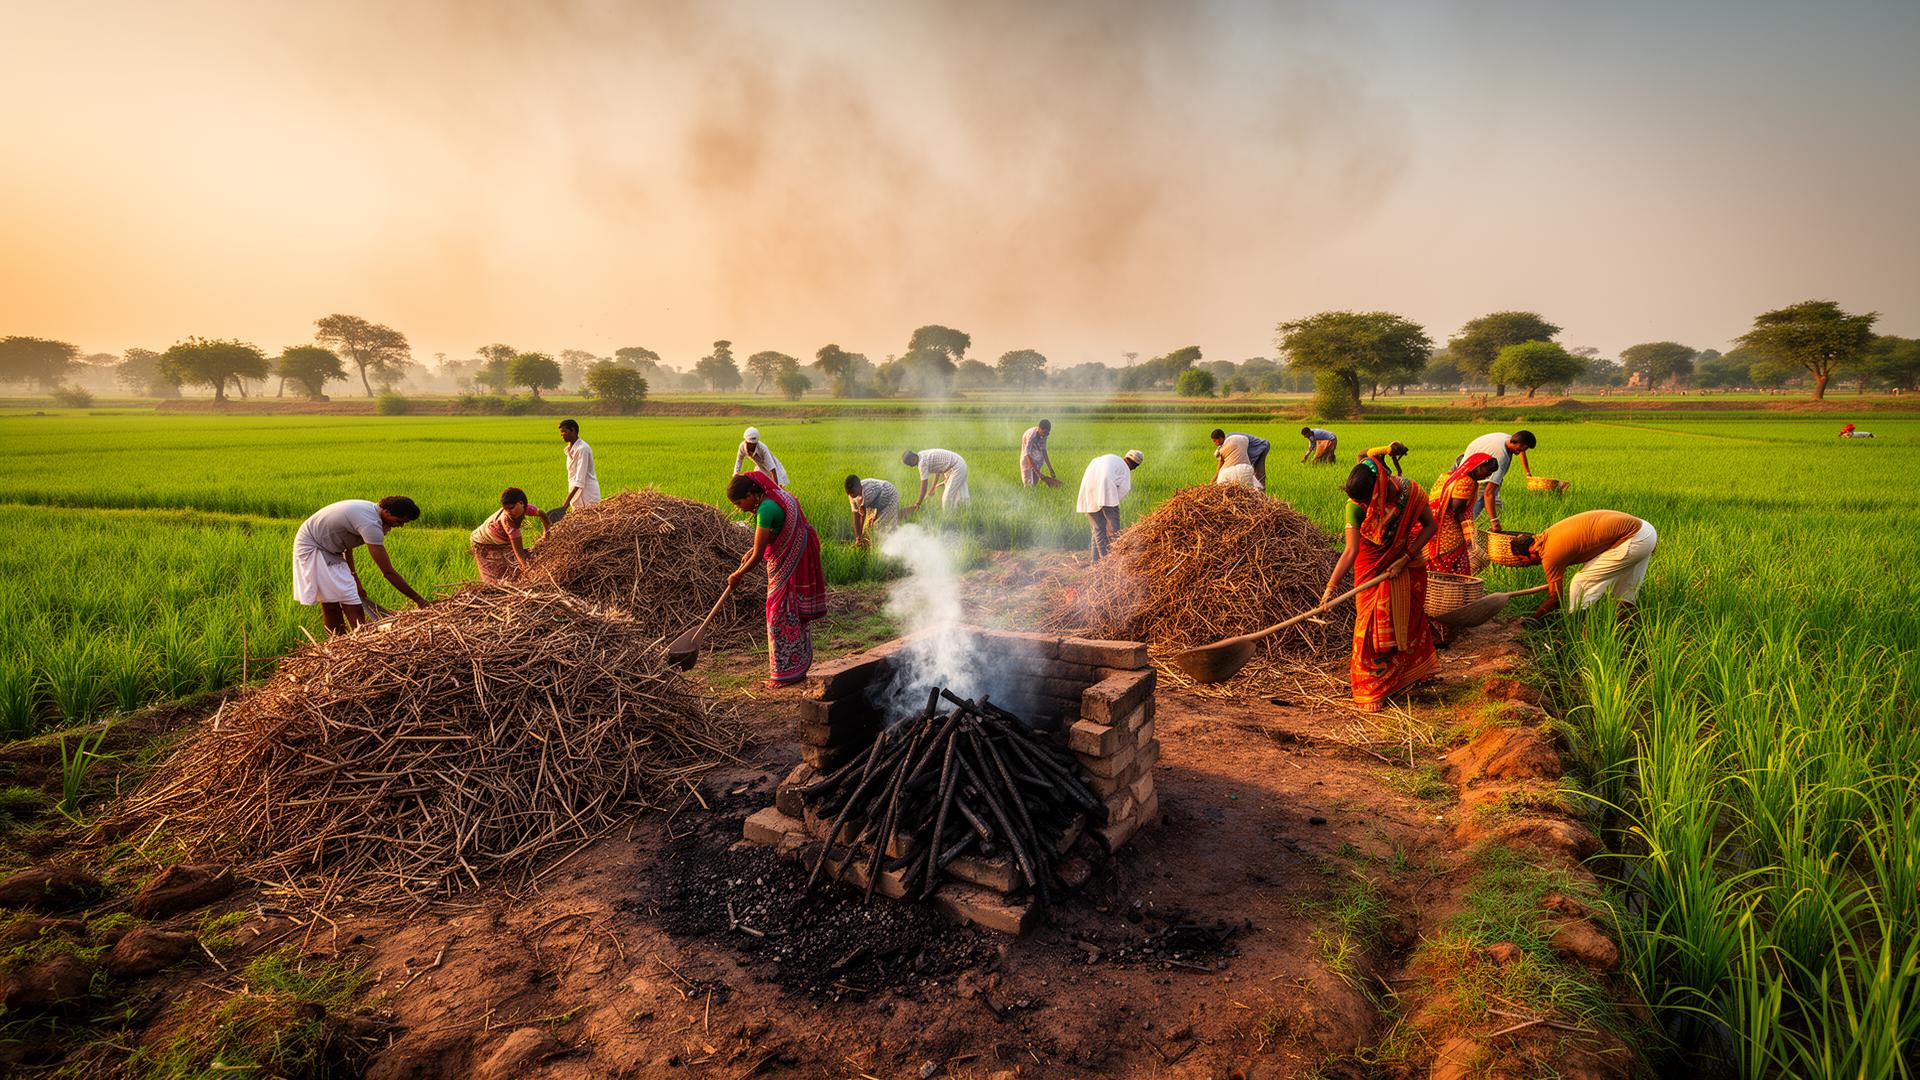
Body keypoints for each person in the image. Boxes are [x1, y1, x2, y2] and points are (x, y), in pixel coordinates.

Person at [1320, 446, 1436, 712]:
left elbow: (1430, 526)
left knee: (1407, 620)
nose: (1361, 506)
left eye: (1364, 500)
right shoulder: (1355, 508)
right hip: (1370, 568)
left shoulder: (1412, 493)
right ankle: (1372, 687)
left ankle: (1404, 678)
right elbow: (1351, 551)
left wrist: (1405, 557)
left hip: (1406, 565)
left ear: (1380, 488)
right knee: (1369, 629)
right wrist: (1331, 588)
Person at [726, 472, 828, 687]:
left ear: (751, 495)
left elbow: (758, 555)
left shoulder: (765, 510)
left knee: (778, 614)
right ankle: (796, 667)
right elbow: (775, 532)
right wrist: (752, 549)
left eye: (739, 502)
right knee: (790, 613)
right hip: (795, 559)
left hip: (787, 567)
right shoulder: (778, 497)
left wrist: (738, 575)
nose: (739, 507)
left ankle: (785, 673)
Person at [292, 496, 428, 635]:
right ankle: (345, 643)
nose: (400, 526)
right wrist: (419, 600)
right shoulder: (370, 522)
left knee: (349, 597)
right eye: (399, 521)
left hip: (333, 549)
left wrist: (354, 578)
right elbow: (388, 571)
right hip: (313, 548)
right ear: (387, 511)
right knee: (333, 603)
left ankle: (355, 641)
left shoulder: (375, 515)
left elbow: (346, 544)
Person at [1511, 510, 1658, 618]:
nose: (1523, 565)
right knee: (1624, 590)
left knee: (1580, 582)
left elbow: (1556, 599)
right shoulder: (1546, 537)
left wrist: (1532, 620)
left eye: (1522, 560)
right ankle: (1629, 630)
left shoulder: (1549, 555)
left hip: (1634, 538)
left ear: (1530, 551)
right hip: (1645, 530)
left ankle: (1576, 627)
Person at [1423, 453, 1499, 576]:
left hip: (1433, 526)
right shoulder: (1467, 481)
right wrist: (1468, 532)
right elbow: (1456, 508)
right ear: (1478, 467)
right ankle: (1451, 591)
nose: (1489, 475)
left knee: (1434, 568)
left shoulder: (1448, 476)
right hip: (1448, 532)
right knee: (1452, 565)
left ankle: (1435, 590)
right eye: (1488, 471)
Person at [1453, 430, 1536, 532]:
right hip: (1471, 473)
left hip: (1462, 463)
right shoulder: (1501, 457)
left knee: (1454, 506)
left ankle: (1458, 527)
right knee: (1473, 505)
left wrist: (1527, 471)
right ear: (1518, 443)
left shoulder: (1509, 438)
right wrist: (1494, 522)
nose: (1522, 451)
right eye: (1523, 448)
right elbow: (1488, 493)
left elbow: (1521, 450)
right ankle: (1464, 529)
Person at [470, 487, 546, 585]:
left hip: (502, 542)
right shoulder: (509, 523)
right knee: (495, 580)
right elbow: (520, 555)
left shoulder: (528, 508)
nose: (508, 512)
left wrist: (546, 534)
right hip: (482, 543)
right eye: (505, 509)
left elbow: (543, 514)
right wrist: (531, 576)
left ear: (521, 504)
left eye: (511, 508)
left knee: (514, 571)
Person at [1076, 450, 1143, 560]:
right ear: (1135, 465)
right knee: (1114, 533)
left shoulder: (1109, 459)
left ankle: (1096, 562)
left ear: (1125, 457)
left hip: (1088, 491)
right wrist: (1110, 506)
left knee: (1097, 529)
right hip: (1107, 492)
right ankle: (1109, 563)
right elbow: (1124, 489)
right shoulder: (1125, 469)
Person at [903, 448, 970, 513]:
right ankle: (965, 513)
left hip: (956, 468)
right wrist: (932, 489)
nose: (910, 466)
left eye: (909, 464)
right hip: (958, 463)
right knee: (962, 496)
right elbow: (937, 471)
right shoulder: (921, 454)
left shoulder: (922, 463)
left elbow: (924, 487)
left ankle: (948, 518)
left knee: (947, 498)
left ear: (913, 459)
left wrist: (917, 504)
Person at [844, 474, 900, 547]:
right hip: (876, 500)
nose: (852, 495)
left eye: (853, 492)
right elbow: (856, 515)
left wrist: (860, 535)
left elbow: (862, 516)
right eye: (849, 493)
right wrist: (857, 537)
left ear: (859, 487)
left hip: (889, 496)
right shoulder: (852, 494)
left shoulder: (868, 491)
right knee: (868, 527)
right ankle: (865, 545)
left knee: (880, 527)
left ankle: (890, 546)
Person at [559, 419, 600, 512]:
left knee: (590, 521)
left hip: (587, 494)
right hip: (576, 494)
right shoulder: (569, 450)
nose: (561, 435)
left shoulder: (583, 449)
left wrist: (565, 504)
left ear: (573, 430)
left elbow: (579, 480)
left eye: (564, 431)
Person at [1019, 419, 1060, 488]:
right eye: (1044, 433)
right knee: (1028, 484)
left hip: (1036, 454)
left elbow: (1044, 451)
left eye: (1047, 434)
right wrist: (1039, 473)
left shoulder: (1044, 435)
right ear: (1039, 428)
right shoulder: (1031, 436)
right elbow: (1027, 454)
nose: (1045, 436)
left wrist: (1051, 469)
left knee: (1034, 483)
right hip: (1027, 457)